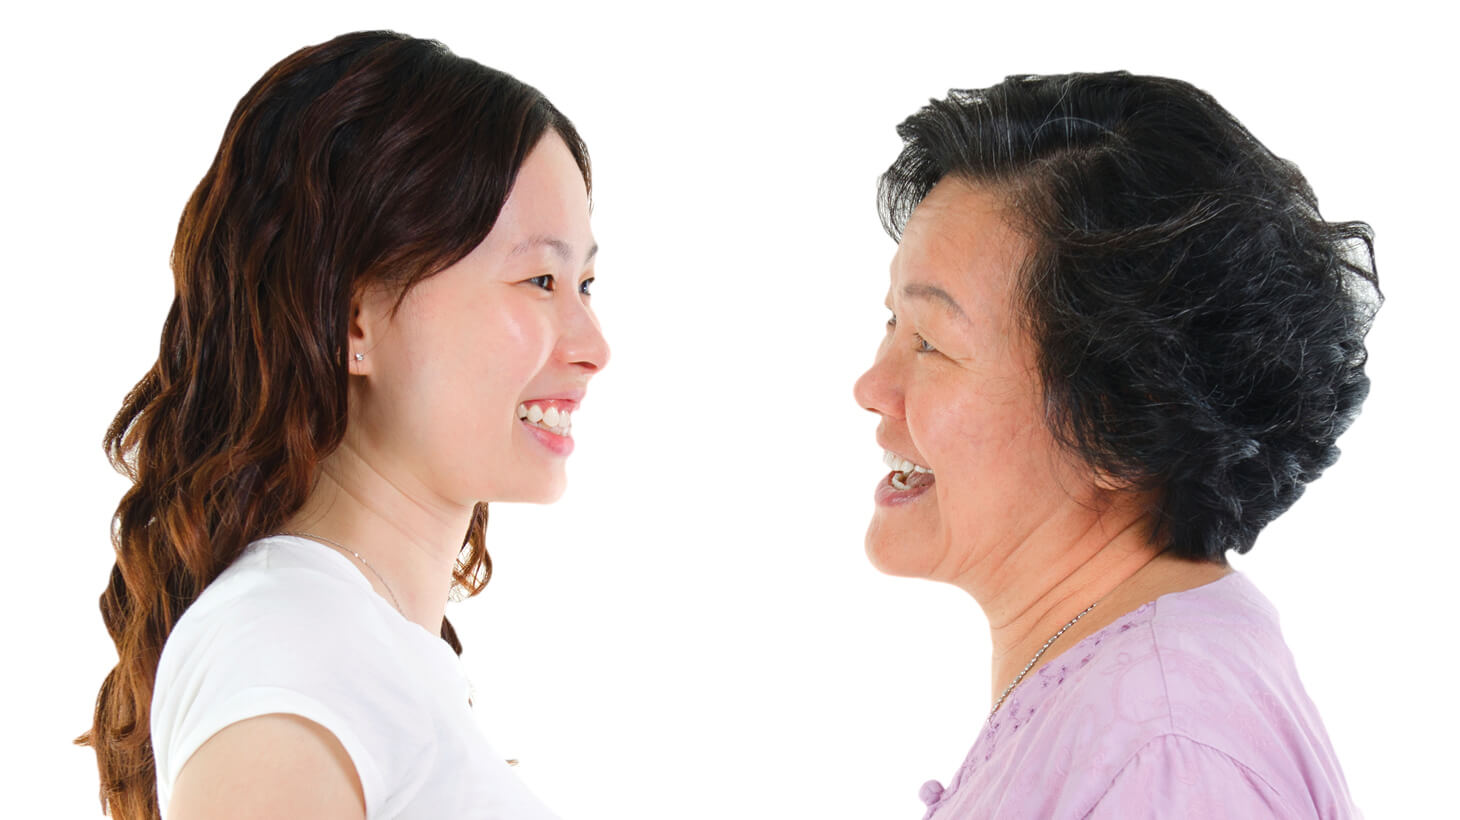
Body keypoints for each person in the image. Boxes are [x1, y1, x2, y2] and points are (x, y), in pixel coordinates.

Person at [78, 31, 608, 820]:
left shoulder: (343, 655)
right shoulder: (287, 649)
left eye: (586, 284)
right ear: (352, 317)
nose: (593, 346)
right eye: (539, 280)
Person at [853, 72, 1376, 818]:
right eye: (891, 324)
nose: (871, 386)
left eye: (932, 342)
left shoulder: (1166, 753)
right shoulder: (1135, 694)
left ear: (1122, 418)